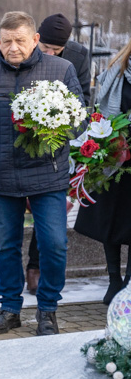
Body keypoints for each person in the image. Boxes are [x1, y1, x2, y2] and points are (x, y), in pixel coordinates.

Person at [0, 12, 83, 337]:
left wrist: (54, 120)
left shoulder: (61, 70)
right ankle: (10, 308)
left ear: (35, 40)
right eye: (7, 41)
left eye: (20, 40)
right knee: (6, 247)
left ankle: (48, 310)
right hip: (2, 177)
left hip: (48, 176)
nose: (13, 47)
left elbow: (79, 120)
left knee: (54, 244)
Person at [74, 37, 131, 304]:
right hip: (113, 158)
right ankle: (113, 280)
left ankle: (129, 284)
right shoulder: (116, 72)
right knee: (110, 219)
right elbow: (101, 112)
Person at [38, 14, 92, 106]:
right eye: (45, 47)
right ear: (37, 39)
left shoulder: (79, 56)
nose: (49, 53)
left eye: (56, 49)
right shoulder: (25, 51)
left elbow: (83, 96)